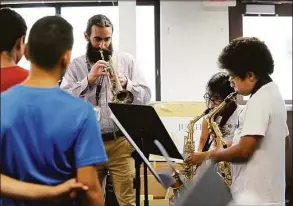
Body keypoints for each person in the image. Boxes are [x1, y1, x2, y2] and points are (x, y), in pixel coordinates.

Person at [1, 15, 108, 206]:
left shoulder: (2, 104)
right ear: (66, 58)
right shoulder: (82, 113)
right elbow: (89, 188)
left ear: (26, 52)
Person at [60, 14, 151, 205]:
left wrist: (127, 85)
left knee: (127, 201)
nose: (102, 45)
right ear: (86, 36)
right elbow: (63, 100)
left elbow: (145, 96)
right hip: (88, 142)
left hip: (120, 142)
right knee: (88, 201)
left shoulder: (126, 61)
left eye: (107, 39)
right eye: (97, 39)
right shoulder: (76, 65)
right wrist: (88, 80)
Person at [186, 37, 289, 205]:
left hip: (256, 197)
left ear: (250, 75)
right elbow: (285, 141)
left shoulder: (259, 100)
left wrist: (213, 155)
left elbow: (243, 151)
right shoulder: (274, 94)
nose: (232, 84)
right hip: (268, 194)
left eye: (233, 77)